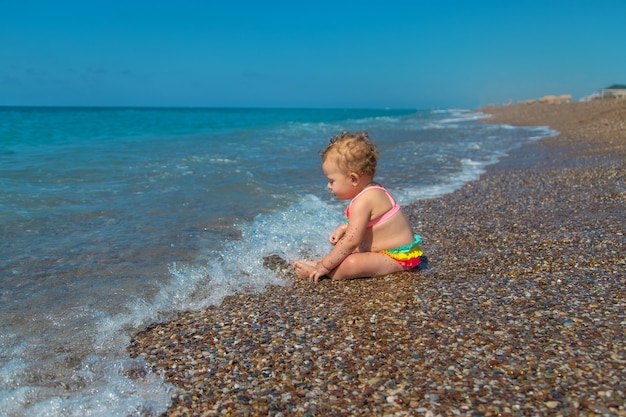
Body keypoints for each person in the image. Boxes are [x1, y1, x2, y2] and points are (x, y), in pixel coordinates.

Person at [293, 131, 423, 282]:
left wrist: (325, 267)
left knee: (350, 263)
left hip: (397, 258)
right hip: (397, 252)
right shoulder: (373, 189)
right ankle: (321, 263)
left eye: (332, 181)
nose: (328, 186)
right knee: (348, 251)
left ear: (353, 179)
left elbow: (351, 241)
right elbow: (368, 223)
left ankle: (320, 270)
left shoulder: (363, 201)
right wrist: (344, 227)